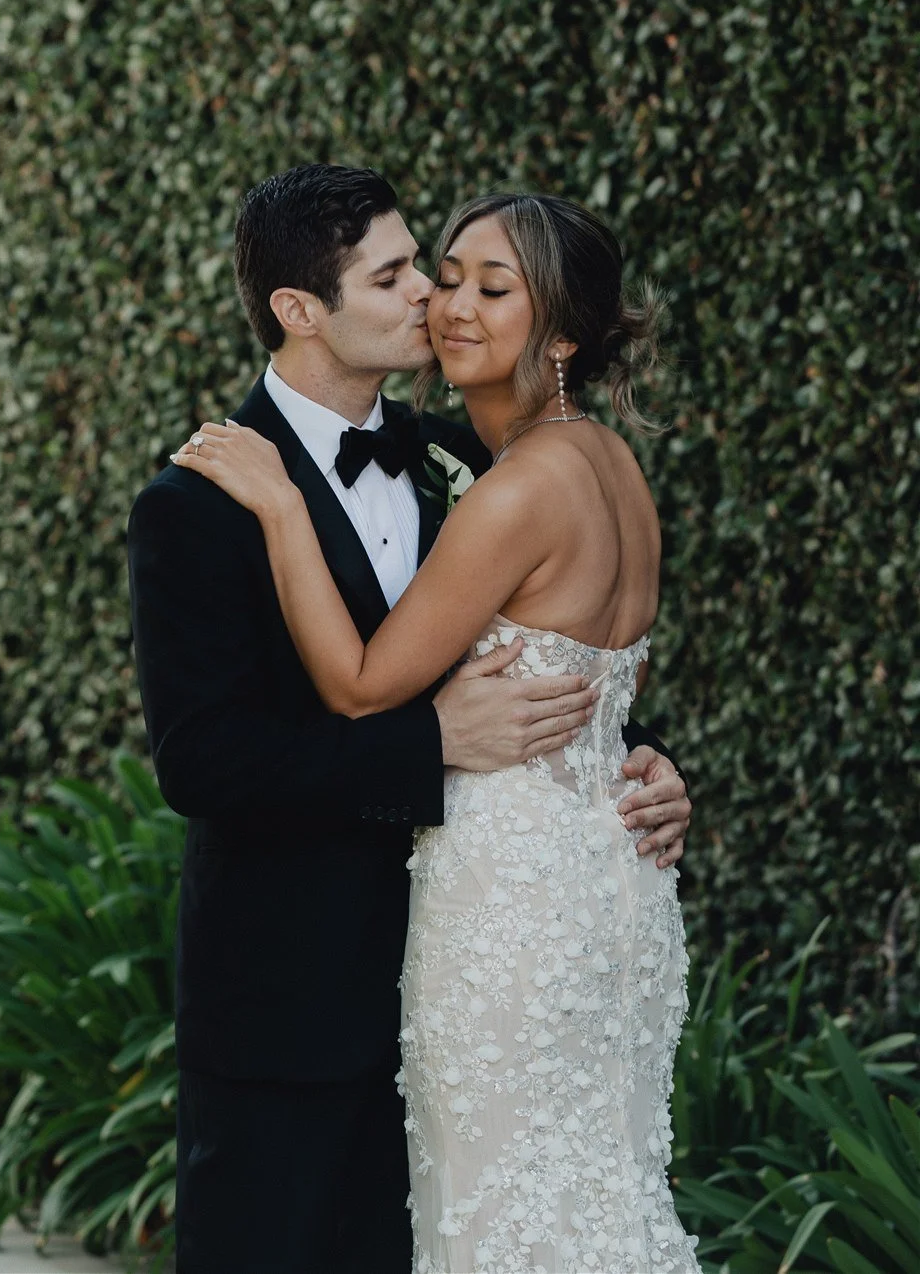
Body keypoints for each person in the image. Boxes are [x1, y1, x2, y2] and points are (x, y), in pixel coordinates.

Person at [126, 163, 692, 1271]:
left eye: (436, 274)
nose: (431, 301)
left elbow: (551, 659)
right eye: (399, 277)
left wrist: (636, 755)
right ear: (301, 310)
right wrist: (426, 748)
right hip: (293, 1002)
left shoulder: (479, 464)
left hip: (480, 978)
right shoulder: (197, 503)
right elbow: (203, 761)